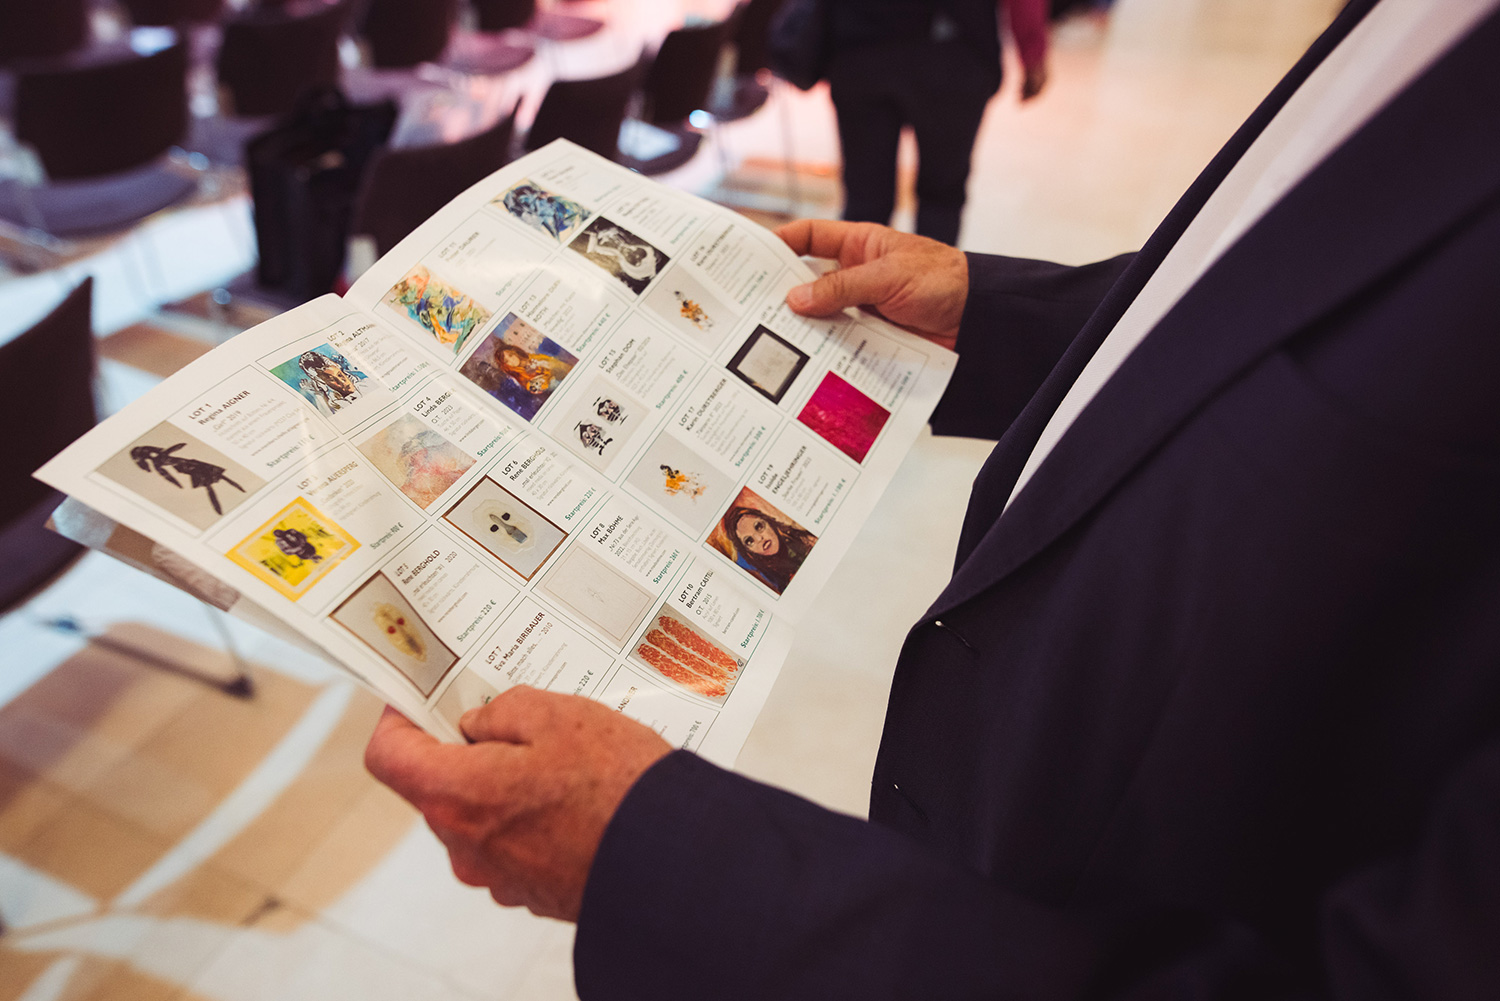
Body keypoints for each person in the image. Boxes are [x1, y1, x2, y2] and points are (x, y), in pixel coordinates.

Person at [364, 0, 1500, 996]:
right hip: (1007, 816)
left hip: (1145, 884)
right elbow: (1256, 298)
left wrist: (654, 857)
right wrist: (991, 312)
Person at [827, 0, 1050, 245]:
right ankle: (927, 270)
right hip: (953, 52)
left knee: (866, 198)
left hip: (863, 46)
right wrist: (1032, 51)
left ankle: (860, 269)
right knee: (940, 197)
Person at [715, 503, 817, 594]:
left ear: (769, 522)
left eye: (759, 527)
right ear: (748, 551)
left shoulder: (804, 539)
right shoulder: (770, 579)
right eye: (749, 541)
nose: (759, 538)